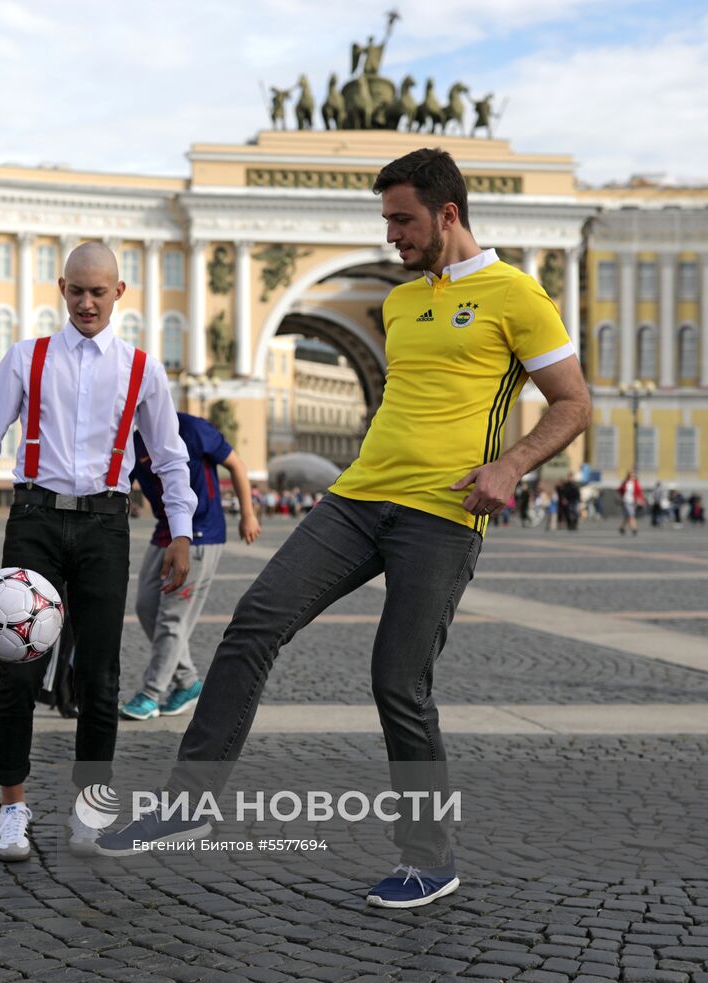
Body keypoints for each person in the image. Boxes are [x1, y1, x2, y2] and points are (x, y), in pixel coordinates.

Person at [97, 148, 591, 909]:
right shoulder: (400, 303)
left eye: (402, 219)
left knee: (399, 678)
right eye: (386, 218)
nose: (391, 233)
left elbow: (572, 403)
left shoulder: (516, 295)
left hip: (443, 512)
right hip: (358, 498)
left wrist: (511, 466)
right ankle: (186, 804)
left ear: (447, 213)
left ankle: (428, 857)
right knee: (254, 622)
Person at [0, 242, 196, 862]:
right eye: (76, 290)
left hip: (106, 524)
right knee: (17, 667)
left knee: (100, 676)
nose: (85, 302)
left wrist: (179, 530)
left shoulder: (140, 369)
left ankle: (90, 810)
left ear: (119, 294)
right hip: (35, 519)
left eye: (98, 292)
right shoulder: (28, 358)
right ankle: (12, 809)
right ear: (61, 288)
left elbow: (169, 456)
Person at [120, 414, 260, 721]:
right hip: (163, 533)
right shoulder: (133, 440)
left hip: (201, 533)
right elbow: (121, 485)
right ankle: (187, 682)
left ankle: (151, 694)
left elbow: (236, 464)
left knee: (172, 619)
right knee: (146, 608)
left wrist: (247, 514)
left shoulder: (194, 430)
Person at [618, 470, 645, 536]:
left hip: (633, 501)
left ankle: (622, 528)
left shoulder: (636, 483)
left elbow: (639, 493)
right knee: (631, 515)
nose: (632, 477)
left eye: (633, 476)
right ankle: (634, 529)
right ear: (628, 476)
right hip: (626, 501)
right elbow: (619, 490)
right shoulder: (625, 483)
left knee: (628, 516)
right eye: (631, 476)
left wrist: (641, 500)